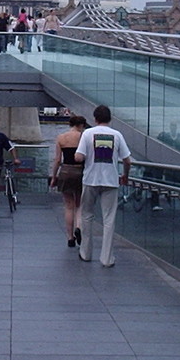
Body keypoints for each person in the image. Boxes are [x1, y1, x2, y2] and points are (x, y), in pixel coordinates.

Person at [75, 105, 132, 268]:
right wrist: (125, 175)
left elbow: (79, 157)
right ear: (110, 119)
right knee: (109, 219)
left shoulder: (87, 133)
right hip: (111, 180)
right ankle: (107, 258)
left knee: (87, 215)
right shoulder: (117, 135)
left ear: (95, 119)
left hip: (90, 179)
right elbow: (128, 160)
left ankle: (85, 253)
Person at [50, 115, 86, 248]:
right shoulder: (83, 137)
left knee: (68, 206)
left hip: (66, 171)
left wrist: (54, 177)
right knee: (79, 205)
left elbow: (57, 160)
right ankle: (79, 227)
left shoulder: (61, 138)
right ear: (81, 125)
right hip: (81, 171)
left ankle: (70, 238)